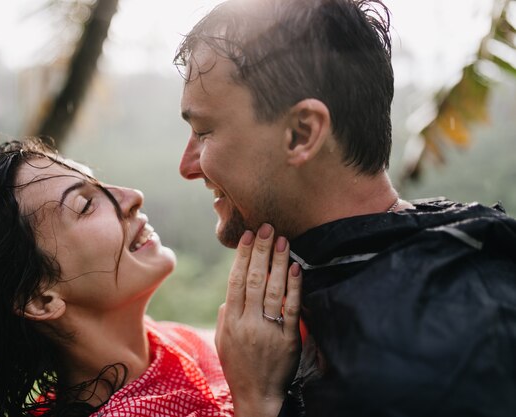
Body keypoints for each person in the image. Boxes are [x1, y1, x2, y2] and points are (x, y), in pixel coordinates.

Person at [174, 0, 516, 415]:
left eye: (204, 131)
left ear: (302, 134)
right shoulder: (461, 248)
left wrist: (257, 404)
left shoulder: (419, 364)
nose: (187, 166)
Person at [0, 137, 302, 417]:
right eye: (86, 205)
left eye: (101, 184)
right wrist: (257, 401)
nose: (130, 196)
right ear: (40, 299)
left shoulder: (182, 341)